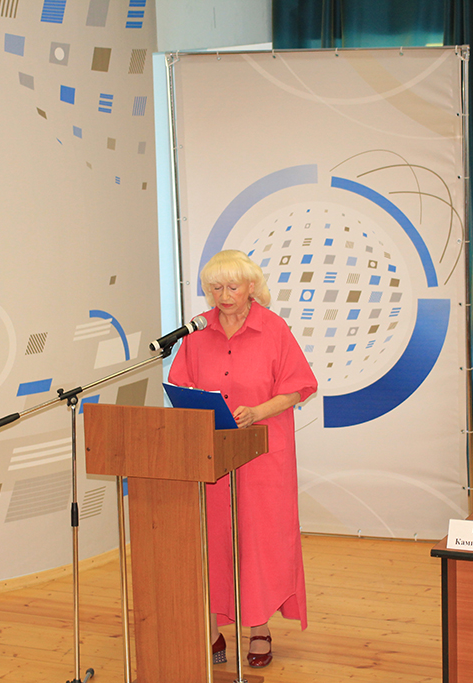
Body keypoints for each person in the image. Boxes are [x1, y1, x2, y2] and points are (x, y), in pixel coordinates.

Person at [167, 249, 317, 668]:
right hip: (211, 453)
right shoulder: (197, 332)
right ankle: (213, 625)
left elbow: (299, 387)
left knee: (258, 541)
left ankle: (258, 628)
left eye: (232, 286)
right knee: (212, 538)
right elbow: (180, 387)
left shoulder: (273, 328)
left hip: (262, 454)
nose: (224, 295)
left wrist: (257, 412)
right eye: (215, 288)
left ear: (252, 286)